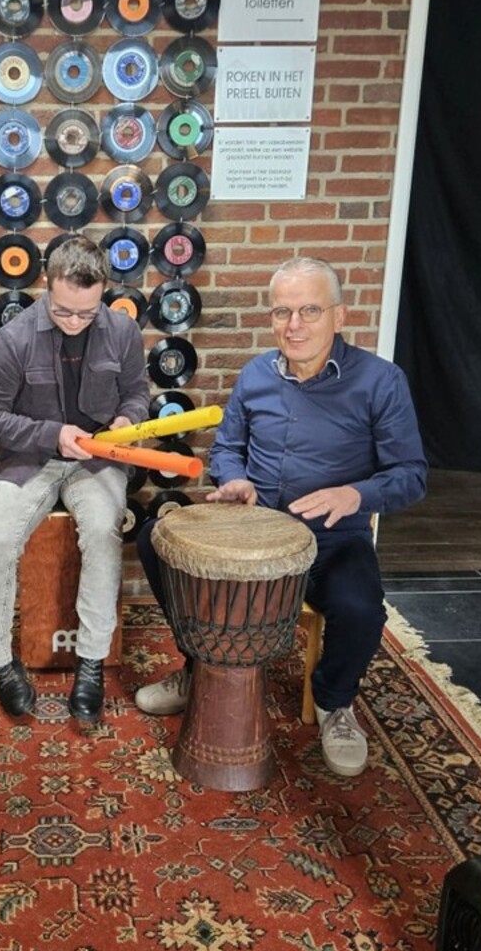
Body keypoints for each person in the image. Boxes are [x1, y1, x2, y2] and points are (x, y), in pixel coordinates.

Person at [135, 256, 427, 777]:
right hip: (252, 531)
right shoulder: (256, 374)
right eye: (282, 312)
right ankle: (198, 664)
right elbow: (228, 449)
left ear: (339, 316)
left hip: (333, 539)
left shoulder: (381, 381)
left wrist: (355, 494)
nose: (294, 325)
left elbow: (411, 475)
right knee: (154, 541)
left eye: (309, 310)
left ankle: (335, 702)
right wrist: (234, 478)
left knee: (361, 610)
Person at [0, 235, 150, 723]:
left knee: (103, 532)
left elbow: (137, 392)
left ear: (103, 292)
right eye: (64, 311)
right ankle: (0, 662)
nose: (74, 322)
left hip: (98, 459)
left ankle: (91, 662)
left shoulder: (123, 331)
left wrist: (127, 420)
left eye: (86, 314)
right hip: (30, 459)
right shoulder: (15, 337)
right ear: (48, 285)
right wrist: (52, 434)